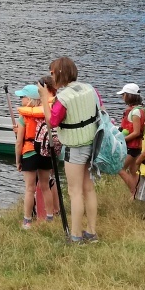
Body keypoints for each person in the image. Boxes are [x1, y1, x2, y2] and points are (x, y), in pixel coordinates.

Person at [39, 57, 101, 244]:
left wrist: (44, 98)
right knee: (88, 188)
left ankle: (75, 235)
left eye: (52, 73)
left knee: (75, 192)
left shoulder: (64, 98)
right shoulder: (89, 89)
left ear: (59, 73)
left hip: (75, 147)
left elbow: (52, 122)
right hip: (92, 143)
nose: (51, 76)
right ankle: (91, 232)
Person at [14, 83, 57, 228]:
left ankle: (27, 221)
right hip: (45, 152)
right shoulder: (46, 114)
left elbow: (19, 142)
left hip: (29, 153)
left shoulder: (23, 117)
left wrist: (18, 160)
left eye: (23, 97)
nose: (21, 99)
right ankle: (50, 218)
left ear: (30, 99)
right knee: (45, 186)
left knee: (29, 188)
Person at [116, 83, 145, 195]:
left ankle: (135, 192)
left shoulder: (135, 112)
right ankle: (137, 193)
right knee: (133, 171)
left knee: (120, 168)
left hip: (132, 146)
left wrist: (122, 140)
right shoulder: (141, 109)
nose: (122, 97)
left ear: (129, 96)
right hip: (138, 146)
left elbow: (136, 132)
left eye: (123, 95)